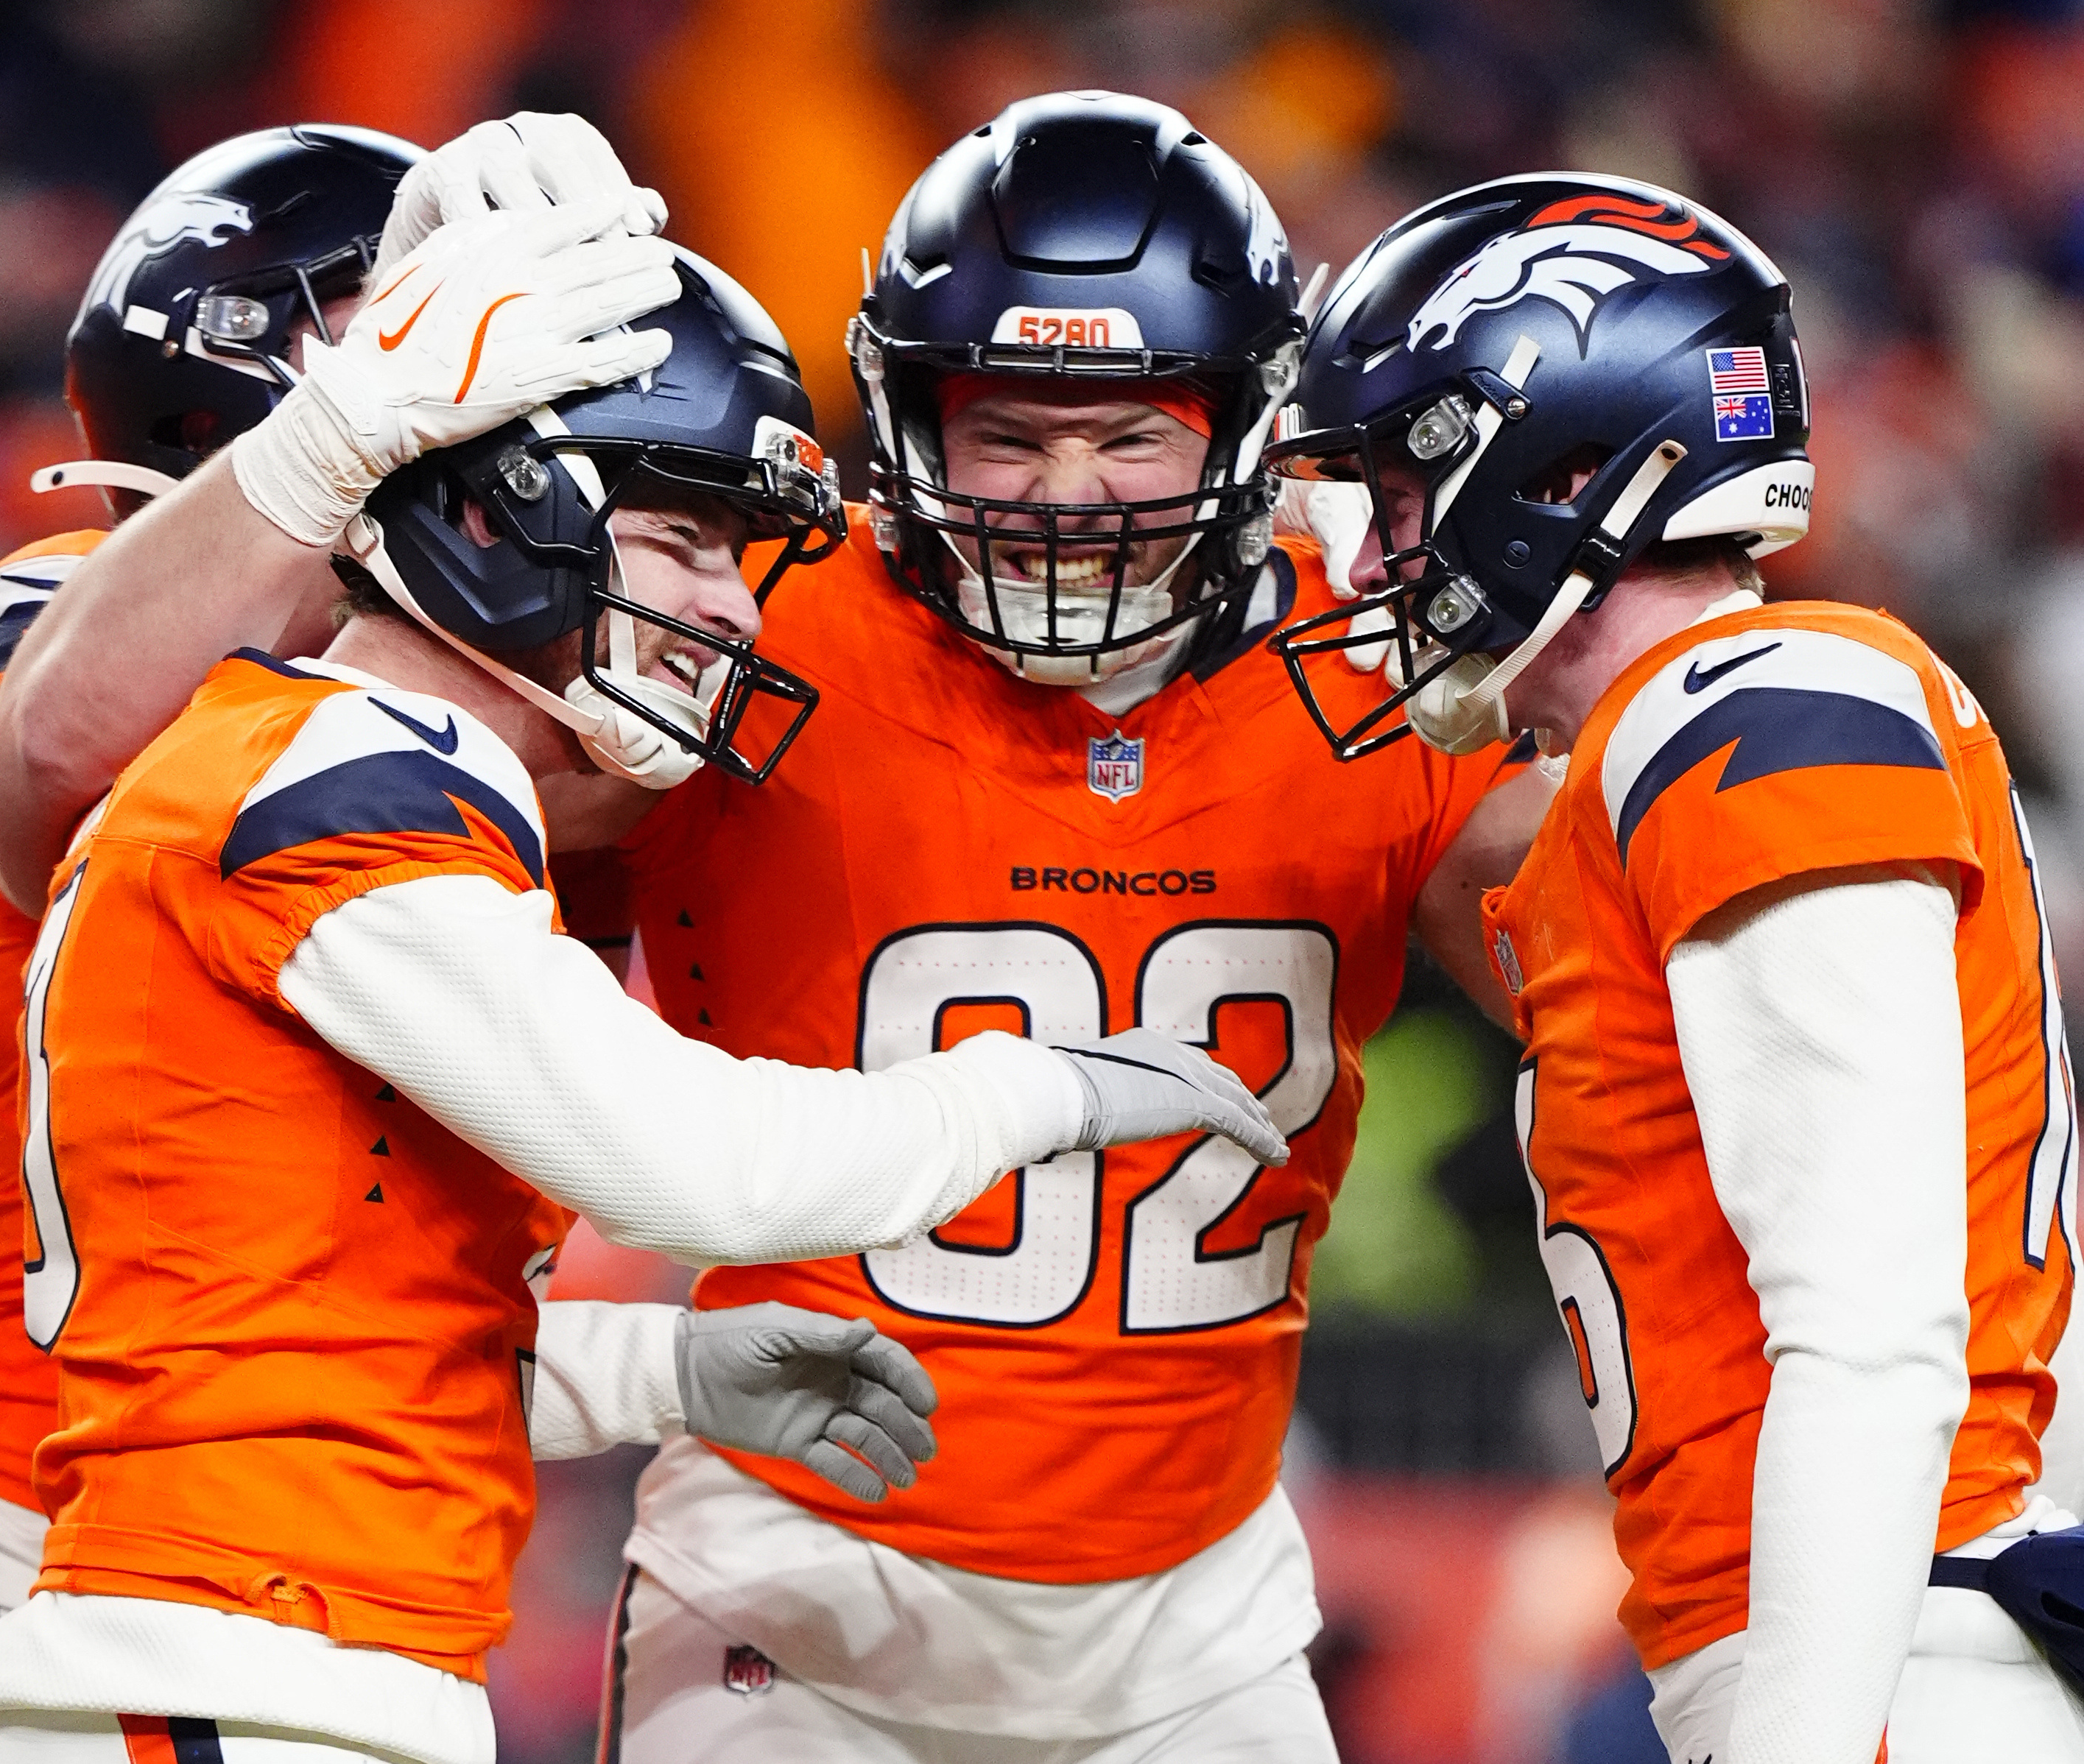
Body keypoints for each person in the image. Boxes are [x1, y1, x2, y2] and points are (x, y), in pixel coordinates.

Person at [0, 211, 1280, 1764]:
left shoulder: (343, 770)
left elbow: (322, 1314)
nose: (733, 606)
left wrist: (664, 1370)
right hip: (243, 1664)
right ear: (491, 516)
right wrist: (1053, 1083)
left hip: (263, 1658)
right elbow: (704, 1170)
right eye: (682, 539)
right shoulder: (336, 773)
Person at [0, 119, 943, 1764]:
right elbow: (69, 753)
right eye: (442, 329)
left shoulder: (499, 726)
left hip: (240, 1551)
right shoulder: (120, 651)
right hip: (98, 1550)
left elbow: (385, 1287)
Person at [490, 93, 1545, 1763]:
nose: (1070, 498)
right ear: (906, 423)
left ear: (1249, 425)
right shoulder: (752, 628)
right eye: (1010, 433)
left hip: (1195, 1618)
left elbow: (1612, 1001)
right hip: (794, 1586)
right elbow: (462, 909)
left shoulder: (1380, 671)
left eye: (1131, 435)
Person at [1267, 171, 2084, 1763]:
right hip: (1856, 1647)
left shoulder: (1753, 703)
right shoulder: (1647, 758)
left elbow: (1868, 1329)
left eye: (1402, 477)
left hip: (1890, 1656)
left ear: (1564, 462)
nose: (1373, 558)